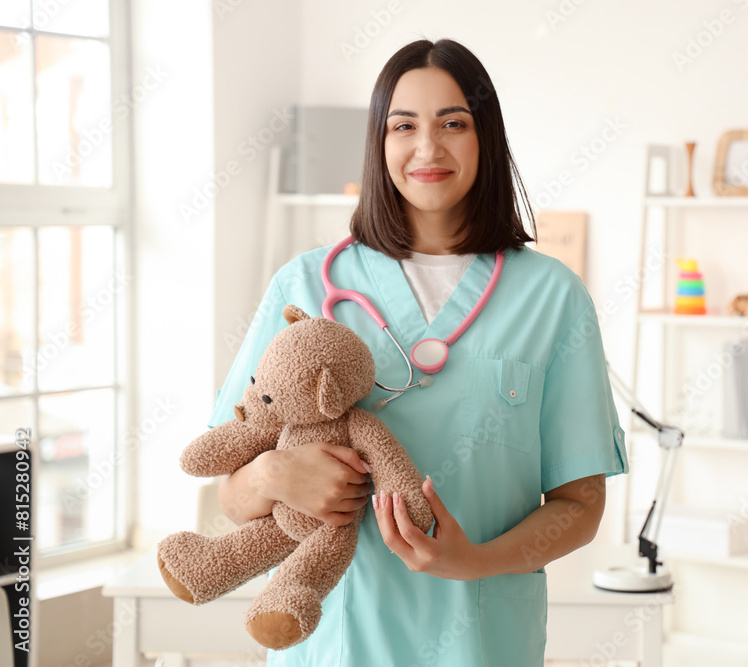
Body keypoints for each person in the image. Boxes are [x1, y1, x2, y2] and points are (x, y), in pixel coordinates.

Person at [210, 37, 628, 667]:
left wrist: (475, 561)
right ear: (380, 143)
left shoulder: (553, 298)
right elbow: (231, 492)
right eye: (403, 125)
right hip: (333, 641)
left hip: (483, 642)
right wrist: (274, 475)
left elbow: (581, 505)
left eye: (453, 123)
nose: (427, 148)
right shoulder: (303, 286)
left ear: (485, 137)